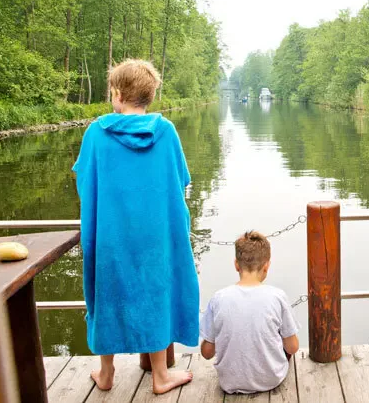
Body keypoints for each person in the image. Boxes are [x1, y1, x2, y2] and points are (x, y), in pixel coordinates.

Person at [73, 59, 199, 394]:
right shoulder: (166, 132)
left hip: (110, 237)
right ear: (150, 95)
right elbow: (181, 181)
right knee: (155, 294)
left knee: (105, 295)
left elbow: (84, 183)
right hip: (156, 237)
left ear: (116, 93)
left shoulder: (96, 134)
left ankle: (106, 372)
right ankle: (160, 376)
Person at [200, 231, 300, 394]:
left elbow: (206, 353)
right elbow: (293, 347)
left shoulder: (219, 298)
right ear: (267, 265)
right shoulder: (277, 296)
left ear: (236, 264)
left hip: (228, 382)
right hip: (271, 379)